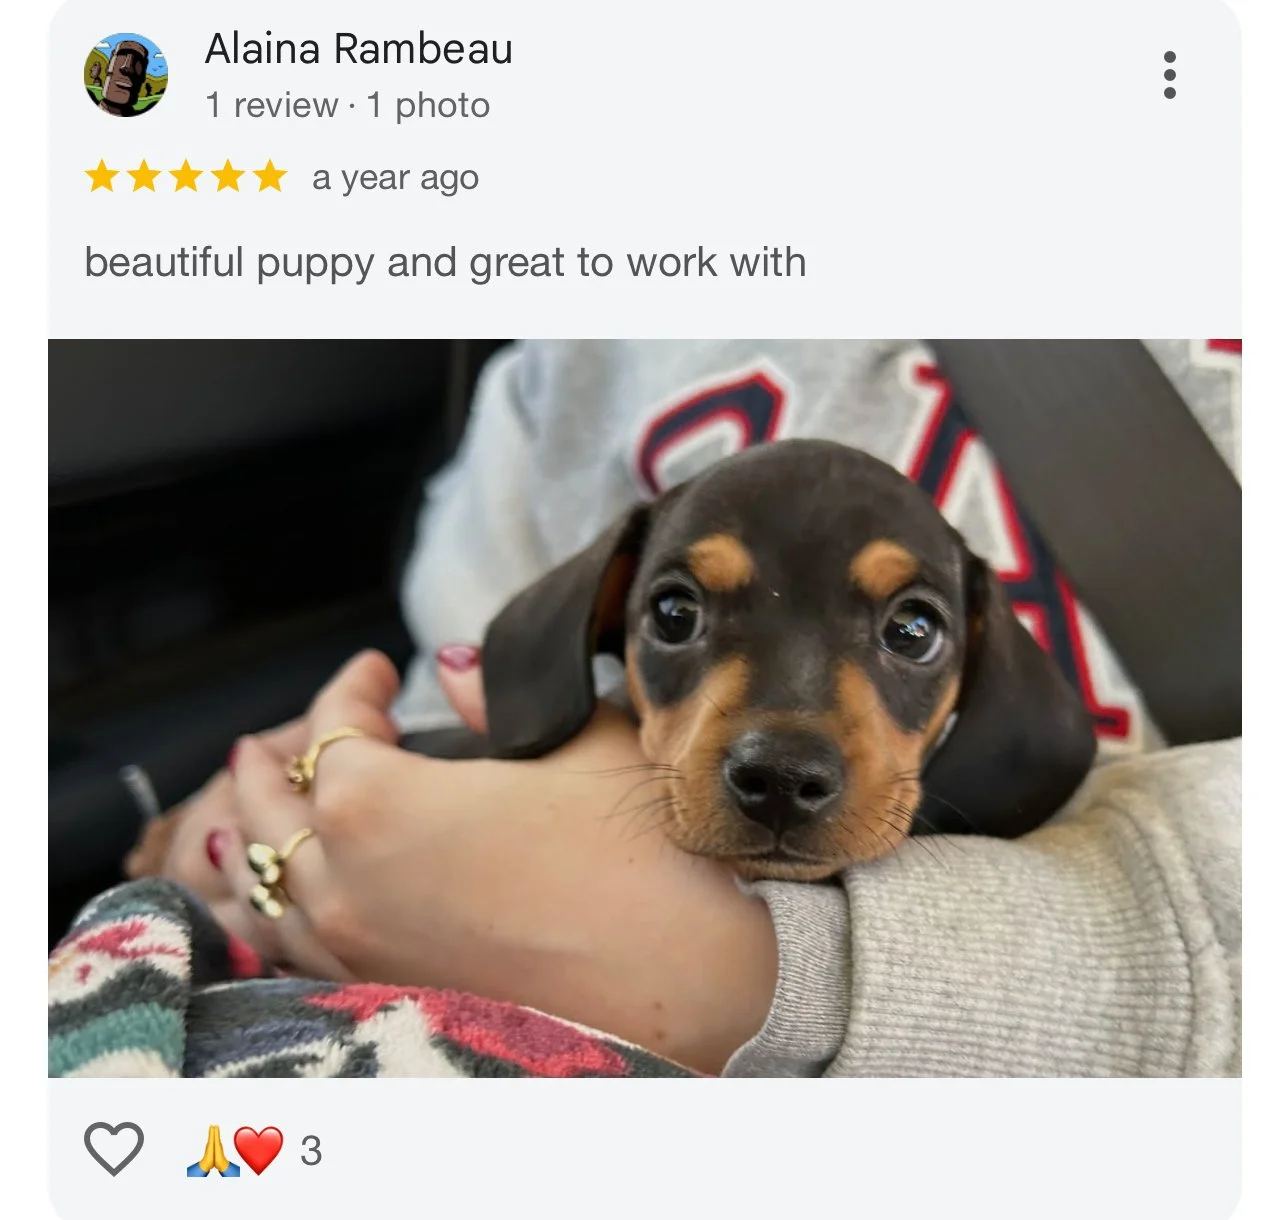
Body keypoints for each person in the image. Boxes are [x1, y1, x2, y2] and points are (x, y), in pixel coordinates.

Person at [118, 341, 1242, 1077]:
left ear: (981, 677)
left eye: (906, 630)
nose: (789, 740)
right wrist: (314, 822)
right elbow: (476, 694)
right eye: (678, 612)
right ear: (606, 619)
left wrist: (766, 968)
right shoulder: (587, 336)